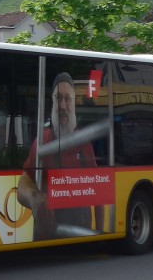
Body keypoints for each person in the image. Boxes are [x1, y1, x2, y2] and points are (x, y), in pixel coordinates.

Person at [17, 72, 97, 241]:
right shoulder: (41, 142)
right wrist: (35, 199)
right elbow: (23, 184)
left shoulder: (85, 146)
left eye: (67, 99)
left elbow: (98, 192)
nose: (62, 105)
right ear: (52, 103)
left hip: (80, 234)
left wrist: (102, 235)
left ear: (74, 104)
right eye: (57, 98)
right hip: (46, 237)